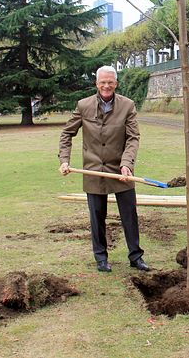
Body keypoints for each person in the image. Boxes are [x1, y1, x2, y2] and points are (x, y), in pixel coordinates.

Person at [58, 65, 149, 273]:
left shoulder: (127, 106)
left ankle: (136, 257)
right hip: (93, 170)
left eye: (110, 82)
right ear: (96, 84)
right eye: (102, 82)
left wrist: (127, 163)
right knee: (97, 216)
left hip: (120, 171)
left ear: (116, 84)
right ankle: (101, 258)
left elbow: (133, 137)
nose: (106, 86)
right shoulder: (83, 105)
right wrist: (64, 160)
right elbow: (66, 134)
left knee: (129, 215)